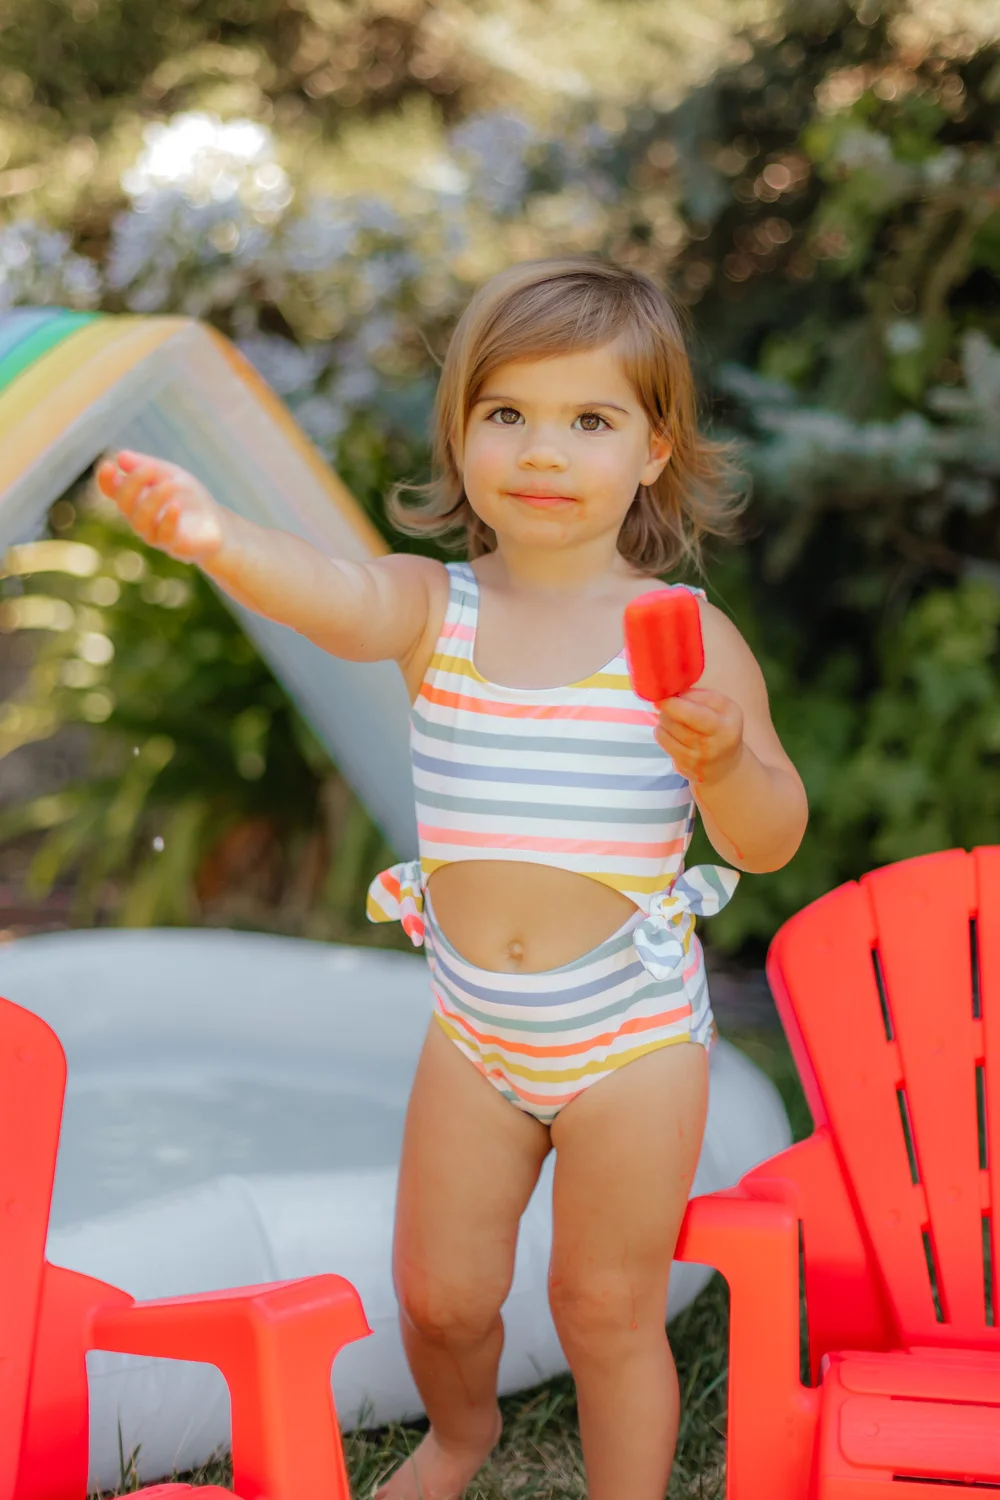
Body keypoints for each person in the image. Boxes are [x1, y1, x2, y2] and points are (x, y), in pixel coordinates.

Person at [97, 257, 807, 1500]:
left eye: (588, 421)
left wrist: (728, 755)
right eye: (507, 415)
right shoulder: (438, 609)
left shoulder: (685, 637)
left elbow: (768, 837)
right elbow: (332, 596)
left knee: (602, 1304)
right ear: (463, 434)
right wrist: (216, 537)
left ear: (653, 450)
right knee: (439, 1294)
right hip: (478, 1030)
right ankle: (460, 1435)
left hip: (627, 1036)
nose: (543, 450)